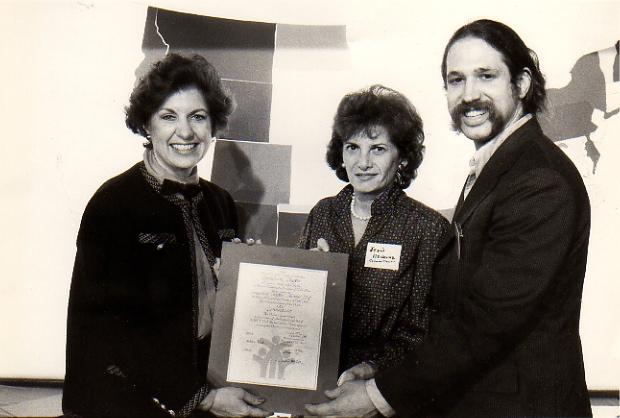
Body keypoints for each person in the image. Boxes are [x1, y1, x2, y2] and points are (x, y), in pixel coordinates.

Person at [305, 19, 592, 418]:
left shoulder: (538, 179)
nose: (469, 95)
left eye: (486, 76)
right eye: (456, 80)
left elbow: (484, 323)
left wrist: (376, 393)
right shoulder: (498, 168)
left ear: (522, 84)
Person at [63, 53, 270, 418]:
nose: (186, 132)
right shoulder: (112, 203)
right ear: (147, 125)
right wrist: (202, 397)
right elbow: (112, 332)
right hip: (124, 399)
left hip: (203, 388)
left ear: (213, 125)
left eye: (198, 117)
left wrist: (246, 284)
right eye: (168, 116)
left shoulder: (220, 202)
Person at [297, 85, 449, 380]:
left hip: (382, 387)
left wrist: (372, 370)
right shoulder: (323, 214)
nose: (362, 162)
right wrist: (309, 280)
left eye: (377, 149)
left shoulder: (427, 228)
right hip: (314, 380)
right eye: (352, 147)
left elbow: (426, 329)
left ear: (402, 157)